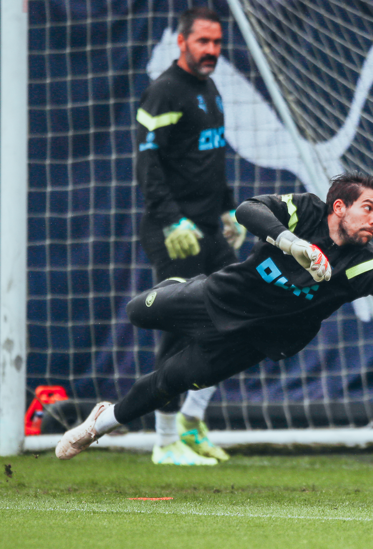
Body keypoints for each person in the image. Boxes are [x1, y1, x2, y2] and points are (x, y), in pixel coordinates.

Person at [55, 172, 373, 460]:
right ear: (338, 207)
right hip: (219, 296)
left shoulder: (360, 263)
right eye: (369, 207)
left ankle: (99, 424)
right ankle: (176, 288)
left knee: (171, 380)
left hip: (253, 339)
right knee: (136, 313)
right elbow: (249, 209)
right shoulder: (307, 210)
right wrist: (292, 243)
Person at [132, 7, 246, 466]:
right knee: (178, 329)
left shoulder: (211, 89)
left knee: (239, 316)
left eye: (217, 43)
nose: (212, 51)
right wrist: (172, 219)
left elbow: (212, 159)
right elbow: (147, 164)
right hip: (173, 232)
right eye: (204, 42)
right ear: (182, 42)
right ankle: (163, 442)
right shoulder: (163, 92)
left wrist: (228, 210)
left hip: (209, 230)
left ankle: (191, 423)